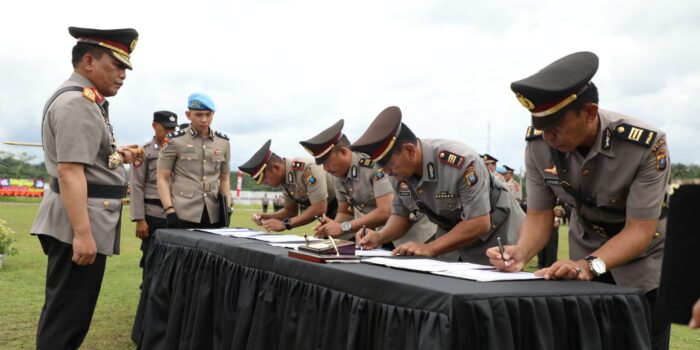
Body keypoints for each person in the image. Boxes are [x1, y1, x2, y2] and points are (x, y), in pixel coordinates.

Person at [486, 51, 671, 350]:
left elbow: (640, 230)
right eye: (542, 128)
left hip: (642, 264)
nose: (548, 137)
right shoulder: (538, 145)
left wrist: (589, 266)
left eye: (555, 127)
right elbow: (539, 215)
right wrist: (520, 252)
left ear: (589, 112)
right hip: (584, 254)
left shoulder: (643, 145)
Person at [30, 26, 140, 350]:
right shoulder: (78, 103)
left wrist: (120, 156)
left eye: (125, 68)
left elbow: (90, 161)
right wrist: (82, 233)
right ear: (89, 61)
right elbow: (69, 172)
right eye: (116, 65)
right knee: (66, 322)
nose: (122, 75)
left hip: (79, 219)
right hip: (77, 224)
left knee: (66, 315)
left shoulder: (86, 99)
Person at [353, 106, 524, 264]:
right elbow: (401, 215)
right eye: (383, 167)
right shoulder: (399, 174)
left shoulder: (459, 161)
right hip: (451, 237)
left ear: (410, 150)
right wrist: (379, 236)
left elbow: (479, 222)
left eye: (389, 165)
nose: (387, 172)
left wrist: (429, 248)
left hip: (497, 234)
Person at [300, 119, 436, 243]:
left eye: (328, 162)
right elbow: (344, 212)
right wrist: (332, 227)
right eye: (322, 164)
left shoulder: (372, 165)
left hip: (414, 236)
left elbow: (385, 211)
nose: (326, 168)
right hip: (379, 235)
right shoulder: (338, 175)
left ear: (343, 152)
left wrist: (344, 227)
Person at [157, 93, 232, 229]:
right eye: (199, 115)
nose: (204, 119)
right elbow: (162, 178)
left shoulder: (223, 142)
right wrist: (169, 210)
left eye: (208, 115)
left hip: (213, 213)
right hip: (183, 212)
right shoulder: (174, 140)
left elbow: (225, 178)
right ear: (188, 115)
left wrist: (227, 207)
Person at [239, 140, 337, 231]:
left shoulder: (306, 169)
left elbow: (319, 208)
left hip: (343, 215)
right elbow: (290, 211)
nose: (265, 183)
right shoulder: (285, 180)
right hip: (327, 221)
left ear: (276, 168)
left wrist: (285, 224)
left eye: (265, 179)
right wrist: (267, 217)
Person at [130, 110, 177, 275]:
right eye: (166, 128)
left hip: (176, 214)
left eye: (173, 129)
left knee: (173, 263)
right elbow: (136, 186)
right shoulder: (143, 152)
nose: (170, 132)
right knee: (151, 262)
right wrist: (139, 219)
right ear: (154, 126)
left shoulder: (179, 150)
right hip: (153, 215)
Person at [535, 204, 562, 269]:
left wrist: (556, 220)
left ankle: (549, 265)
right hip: (540, 226)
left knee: (551, 248)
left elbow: (556, 223)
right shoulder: (537, 204)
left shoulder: (555, 206)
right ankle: (541, 264)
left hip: (551, 227)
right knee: (540, 248)